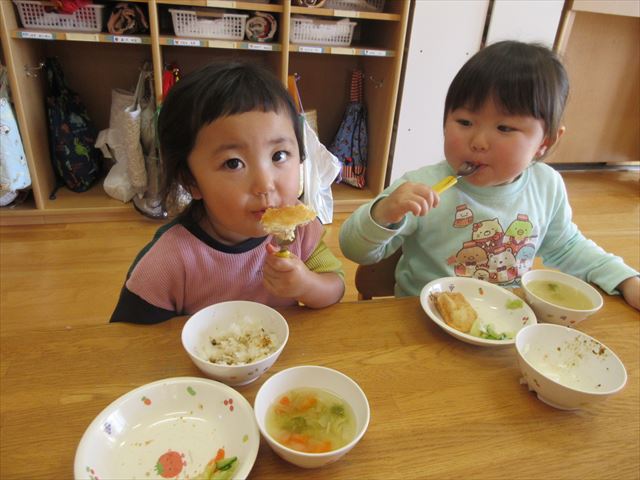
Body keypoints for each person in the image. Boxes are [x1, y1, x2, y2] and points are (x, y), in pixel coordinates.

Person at [339, 40, 639, 310]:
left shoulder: (546, 186)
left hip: (504, 322)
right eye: (465, 122)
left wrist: (625, 279)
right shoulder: (422, 187)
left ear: (545, 142)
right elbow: (354, 249)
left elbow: (568, 247)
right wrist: (384, 212)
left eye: (504, 128)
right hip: (423, 320)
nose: (479, 141)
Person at [111, 61, 344, 324]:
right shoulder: (168, 260)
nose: (265, 184)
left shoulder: (300, 232)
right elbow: (129, 336)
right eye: (233, 163)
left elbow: (335, 286)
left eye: (279, 155)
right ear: (191, 180)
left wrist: (307, 285)